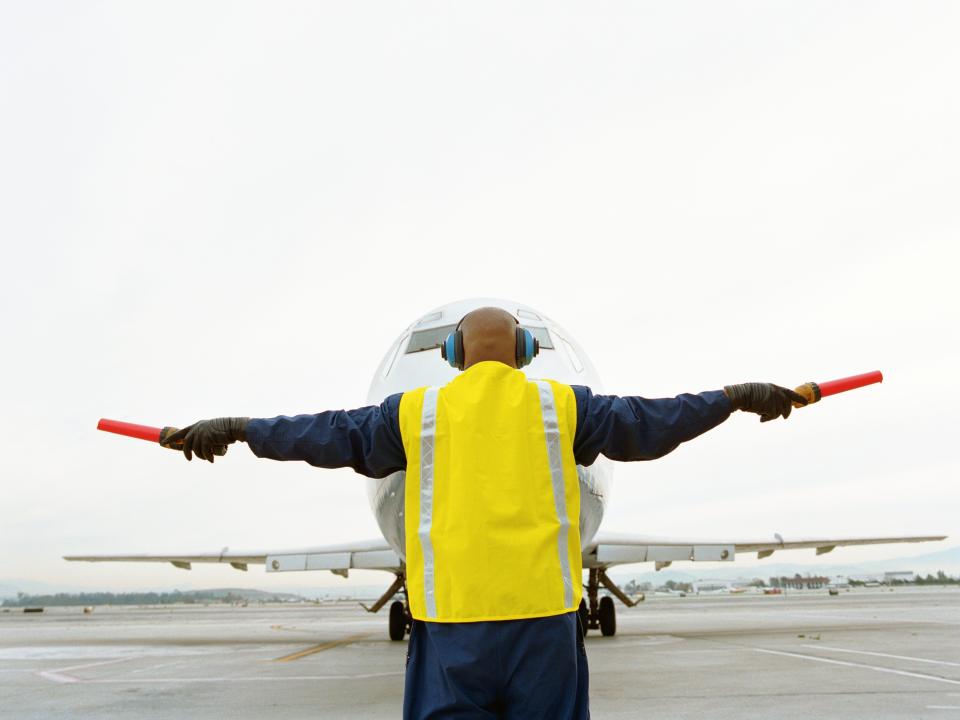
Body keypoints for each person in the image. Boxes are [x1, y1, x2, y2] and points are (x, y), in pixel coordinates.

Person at [166, 307, 806, 719]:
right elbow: (657, 421)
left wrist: (238, 428)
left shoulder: (413, 414)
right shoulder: (564, 407)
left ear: (451, 353)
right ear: (525, 350)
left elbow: (320, 433)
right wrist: (734, 397)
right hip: (545, 629)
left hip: (452, 628)